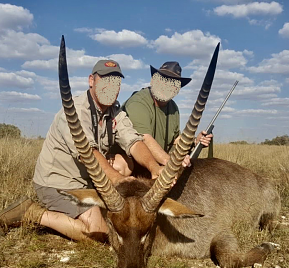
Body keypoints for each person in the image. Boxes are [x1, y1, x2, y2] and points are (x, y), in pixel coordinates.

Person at [0, 59, 163, 242]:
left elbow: (134, 142)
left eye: (116, 83)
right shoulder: (76, 110)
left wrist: (154, 167)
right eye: (106, 81)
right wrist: (118, 180)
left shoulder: (115, 112)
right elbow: (88, 153)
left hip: (89, 180)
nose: (111, 87)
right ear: (91, 81)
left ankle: (96, 205)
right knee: (100, 234)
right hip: (59, 182)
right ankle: (32, 213)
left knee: (126, 162)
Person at [123, 61, 213, 169]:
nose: (166, 85)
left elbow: (175, 139)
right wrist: (170, 162)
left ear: (177, 89)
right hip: (134, 162)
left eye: (173, 83)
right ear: (153, 80)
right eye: (163, 80)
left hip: (157, 161)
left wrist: (195, 141)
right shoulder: (138, 102)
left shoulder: (173, 108)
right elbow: (144, 138)